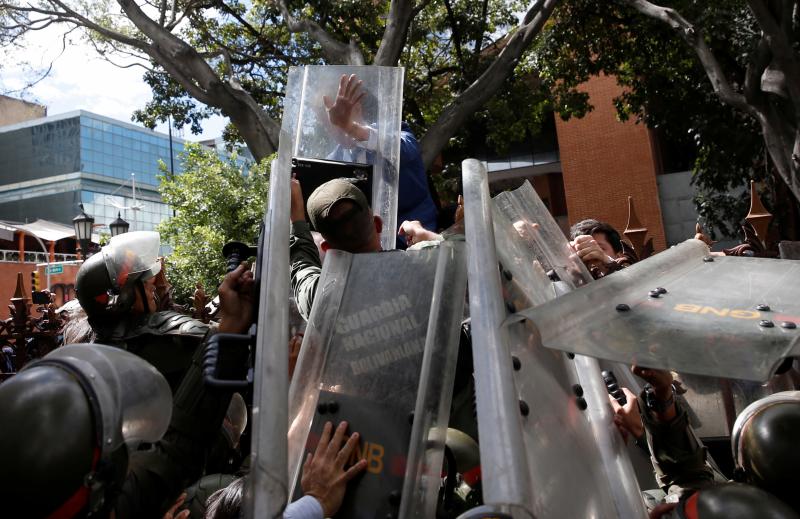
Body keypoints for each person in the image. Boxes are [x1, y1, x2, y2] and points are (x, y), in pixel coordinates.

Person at [74, 231, 247, 389]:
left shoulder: (93, 346)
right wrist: (234, 317)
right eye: (140, 281)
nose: (151, 284)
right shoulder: (160, 335)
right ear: (120, 298)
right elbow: (222, 349)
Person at [324, 73, 438, 237]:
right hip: (360, 248)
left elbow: (405, 150)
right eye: (327, 122)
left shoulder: (394, 131)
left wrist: (351, 128)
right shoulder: (331, 161)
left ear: (356, 107)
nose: (333, 127)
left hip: (413, 241)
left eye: (335, 117)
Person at [290, 177, 383, 320]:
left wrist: (297, 218)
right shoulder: (414, 267)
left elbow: (302, 268)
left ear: (328, 249)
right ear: (378, 224)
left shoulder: (322, 299)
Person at [569, 218, 638, 278]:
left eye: (600, 248)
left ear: (619, 255)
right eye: (583, 249)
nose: (590, 254)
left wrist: (608, 264)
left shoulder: (631, 276)